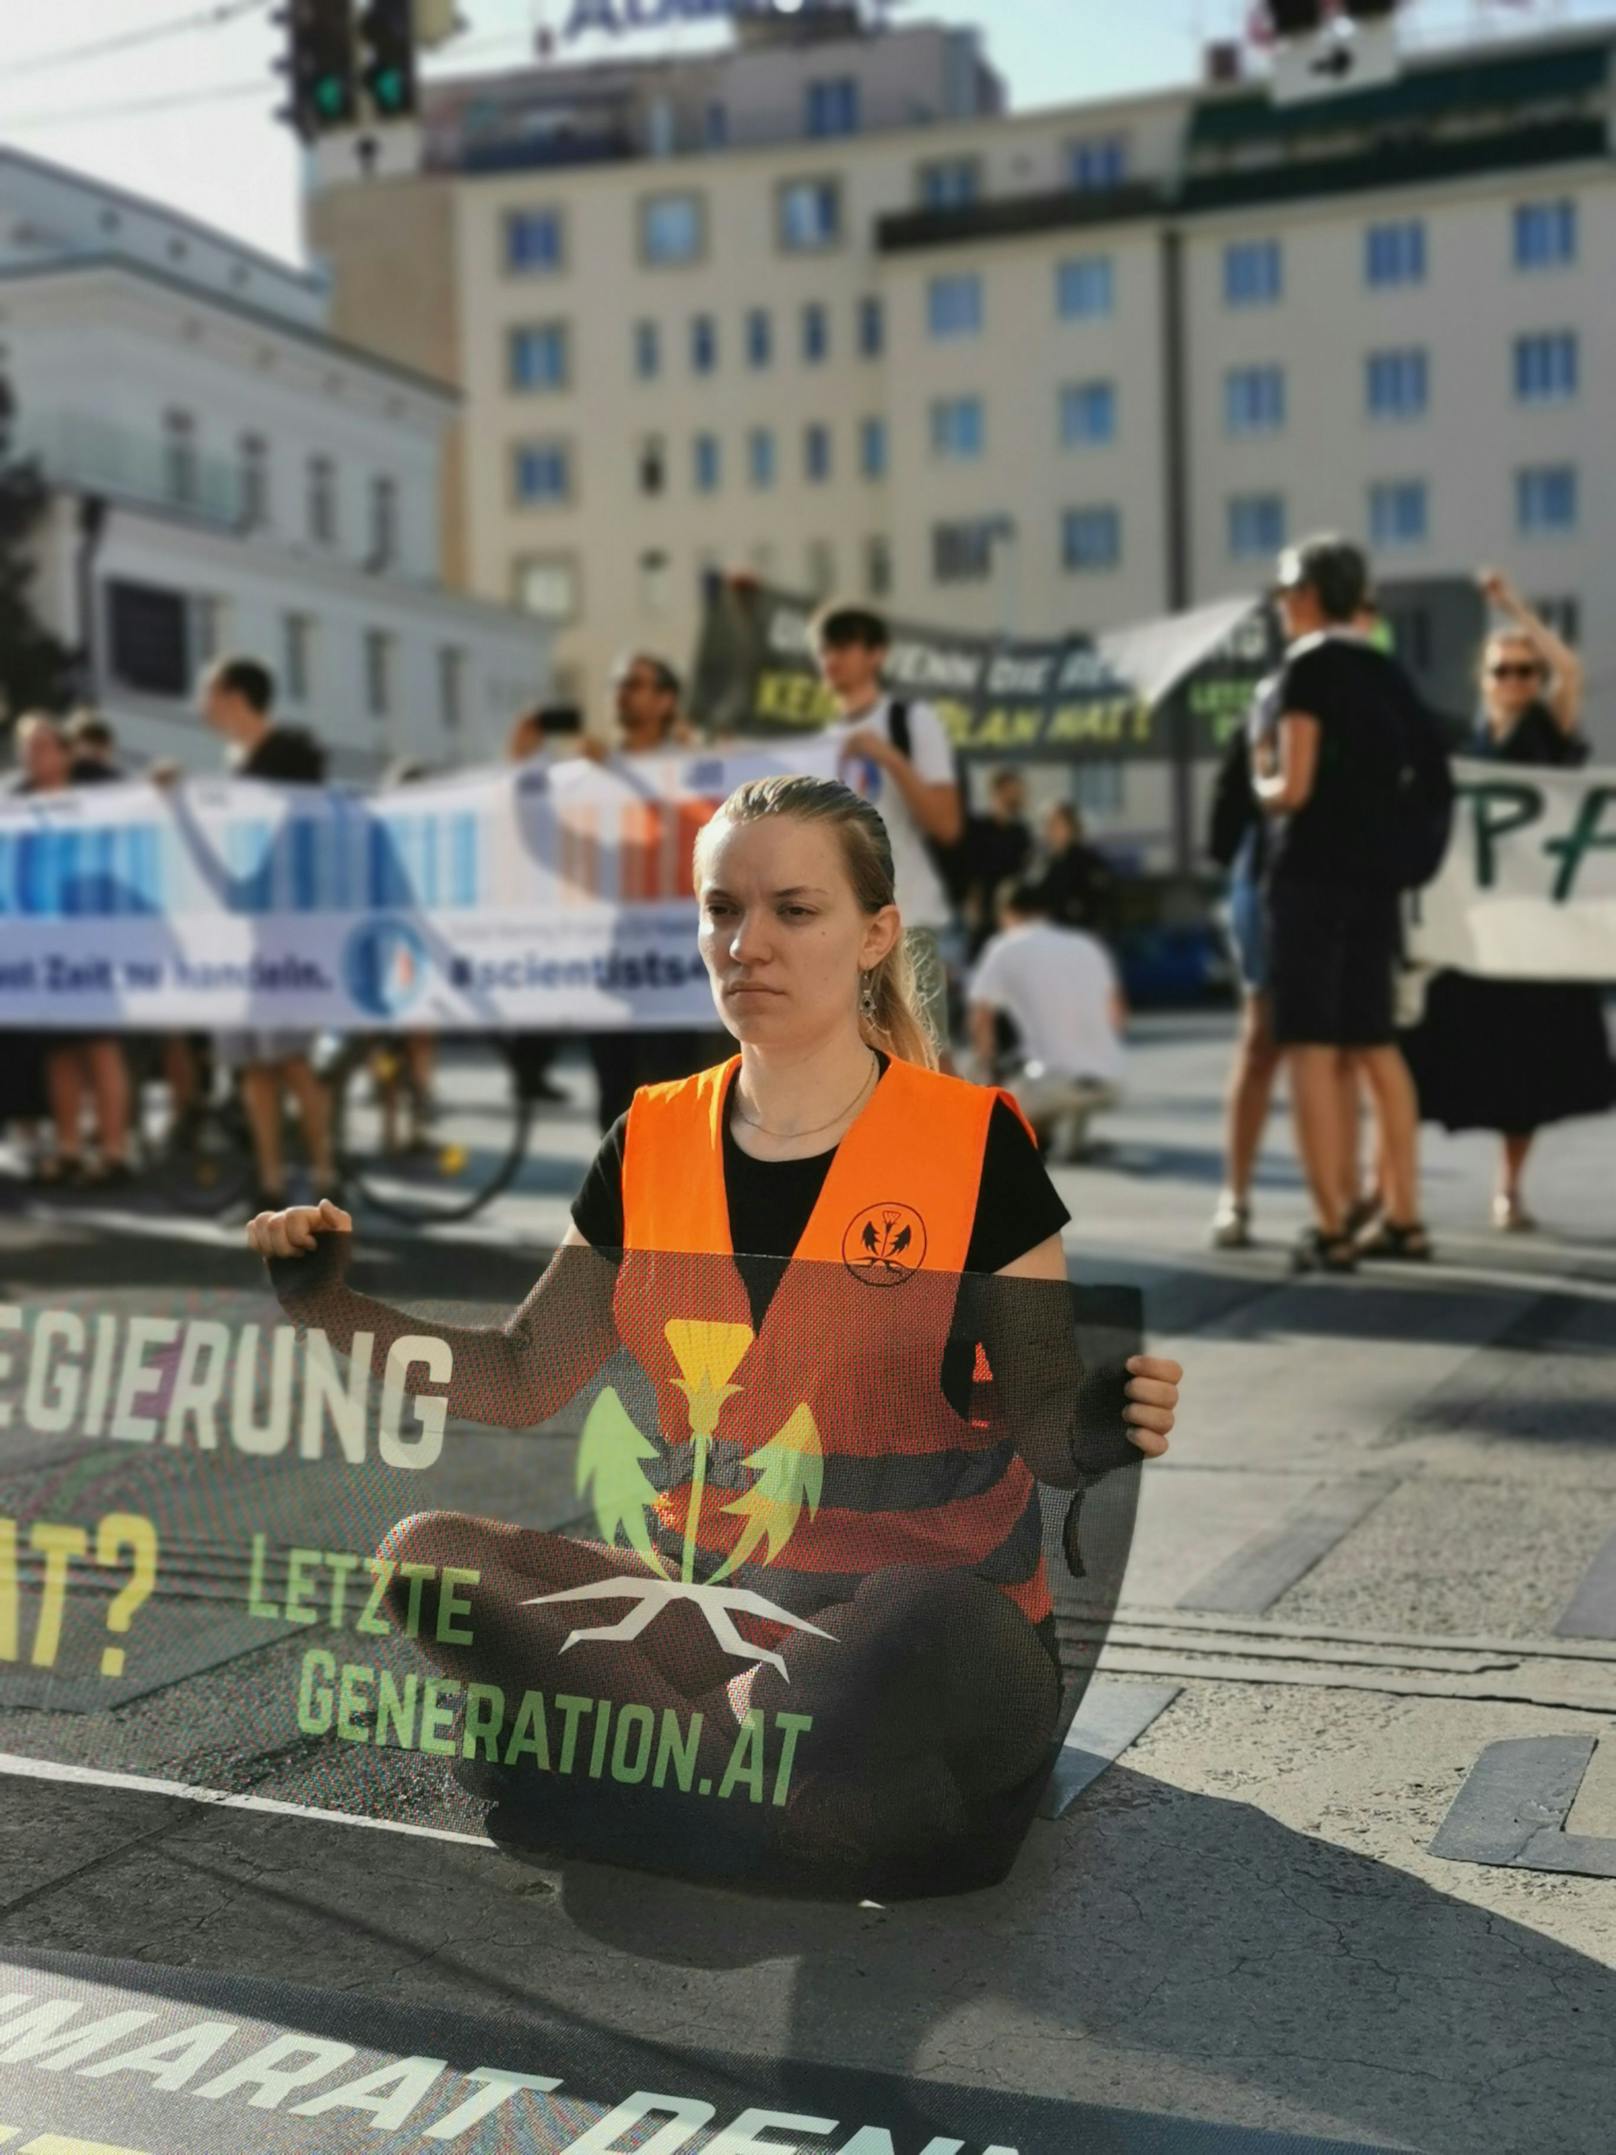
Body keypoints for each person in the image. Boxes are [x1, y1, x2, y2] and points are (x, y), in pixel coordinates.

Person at [247, 773, 1181, 1894]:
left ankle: (628, 1768)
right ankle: (744, 1791)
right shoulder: (649, 1138)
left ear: (874, 933)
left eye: (793, 910)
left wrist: (1098, 1420)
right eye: (719, 910)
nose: (747, 943)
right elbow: (515, 1374)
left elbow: (1040, 1421)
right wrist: (328, 1307)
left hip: (924, 1634)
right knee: (427, 1558)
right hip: (719, 1614)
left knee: (915, 1618)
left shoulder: (972, 1142)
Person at [1400, 572, 1616, 1228]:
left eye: (1527, 670)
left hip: (1535, 932)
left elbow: (1571, 670)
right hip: (1480, 931)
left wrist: (1515, 608)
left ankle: (1508, 1187)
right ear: (1485, 679)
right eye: (1506, 670)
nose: (1519, 681)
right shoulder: (1465, 749)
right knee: (1442, 1058)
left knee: (1529, 1070)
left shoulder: (1546, 736)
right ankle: (1399, 1189)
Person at [1255, 537, 1430, 1274]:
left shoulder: (1308, 668)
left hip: (1312, 878)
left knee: (1315, 1053)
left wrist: (1260, 773)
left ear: (1304, 595)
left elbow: (1290, 789)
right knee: (1377, 1046)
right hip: (1377, 882)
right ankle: (1407, 1217)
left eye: (1284, 590)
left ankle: (1330, 1226)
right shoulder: (1388, 672)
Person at [186, 655, 337, 1213]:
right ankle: (270, 1181)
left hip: (288, 931)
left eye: (208, 690)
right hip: (242, 933)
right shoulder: (235, 765)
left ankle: (324, 1174)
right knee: (254, 1064)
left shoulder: (290, 756)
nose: (201, 703)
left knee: (291, 1056)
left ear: (231, 694)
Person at [814, 603, 964, 1065]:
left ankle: (962, 1136)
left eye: (843, 646)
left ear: (876, 654)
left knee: (922, 1063)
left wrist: (889, 758)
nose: (830, 659)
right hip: (837, 930)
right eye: (824, 649)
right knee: (856, 1069)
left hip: (909, 918)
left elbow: (947, 823)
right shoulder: (820, 741)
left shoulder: (909, 721)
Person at [581, 653, 707, 1132]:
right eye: (618, 682)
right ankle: (622, 1202)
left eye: (634, 683)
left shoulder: (694, 766)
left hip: (676, 957)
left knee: (676, 1091)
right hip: (614, 952)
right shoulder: (589, 772)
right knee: (614, 1096)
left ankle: (675, 1200)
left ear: (666, 700)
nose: (621, 692)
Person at [11, 714, 132, 1187]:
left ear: (65, 752)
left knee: (100, 1046)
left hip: (93, 940)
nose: (34, 755)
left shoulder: (96, 801)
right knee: (58, 1052)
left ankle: (114, 1150)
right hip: (41, 945)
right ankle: (68, 1148)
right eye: (27, 747)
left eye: (43, 745)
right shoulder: (15, 804)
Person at [967, 881, 1125, 1162]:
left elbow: (981, 1015)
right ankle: (1070, 1135)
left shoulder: (1005, 946)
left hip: (1053, 1081)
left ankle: (1040, 1137)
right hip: (1109, 1078)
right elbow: (1117, 1014)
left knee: (991, 1119)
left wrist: (986, 1067)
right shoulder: (1085, 944)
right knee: (1067, 1080)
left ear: (1007, 913)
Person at [961, 769, 1033, 958]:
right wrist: (972, 906)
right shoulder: (979, 829)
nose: (1017, 797)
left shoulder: (1022, 833)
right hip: (985, 915)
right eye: (1013, 791)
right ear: (998, 792)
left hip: (1013, 916)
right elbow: (970, 871)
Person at [1037, 803, 1115, 938]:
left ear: (1072, 827)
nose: (1051, 829)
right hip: (1050, 939)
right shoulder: (1042, 863)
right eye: (1048, 824)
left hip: (1082, 937)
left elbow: (1103, 904)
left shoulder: (1089, 862)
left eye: (1057, 824)